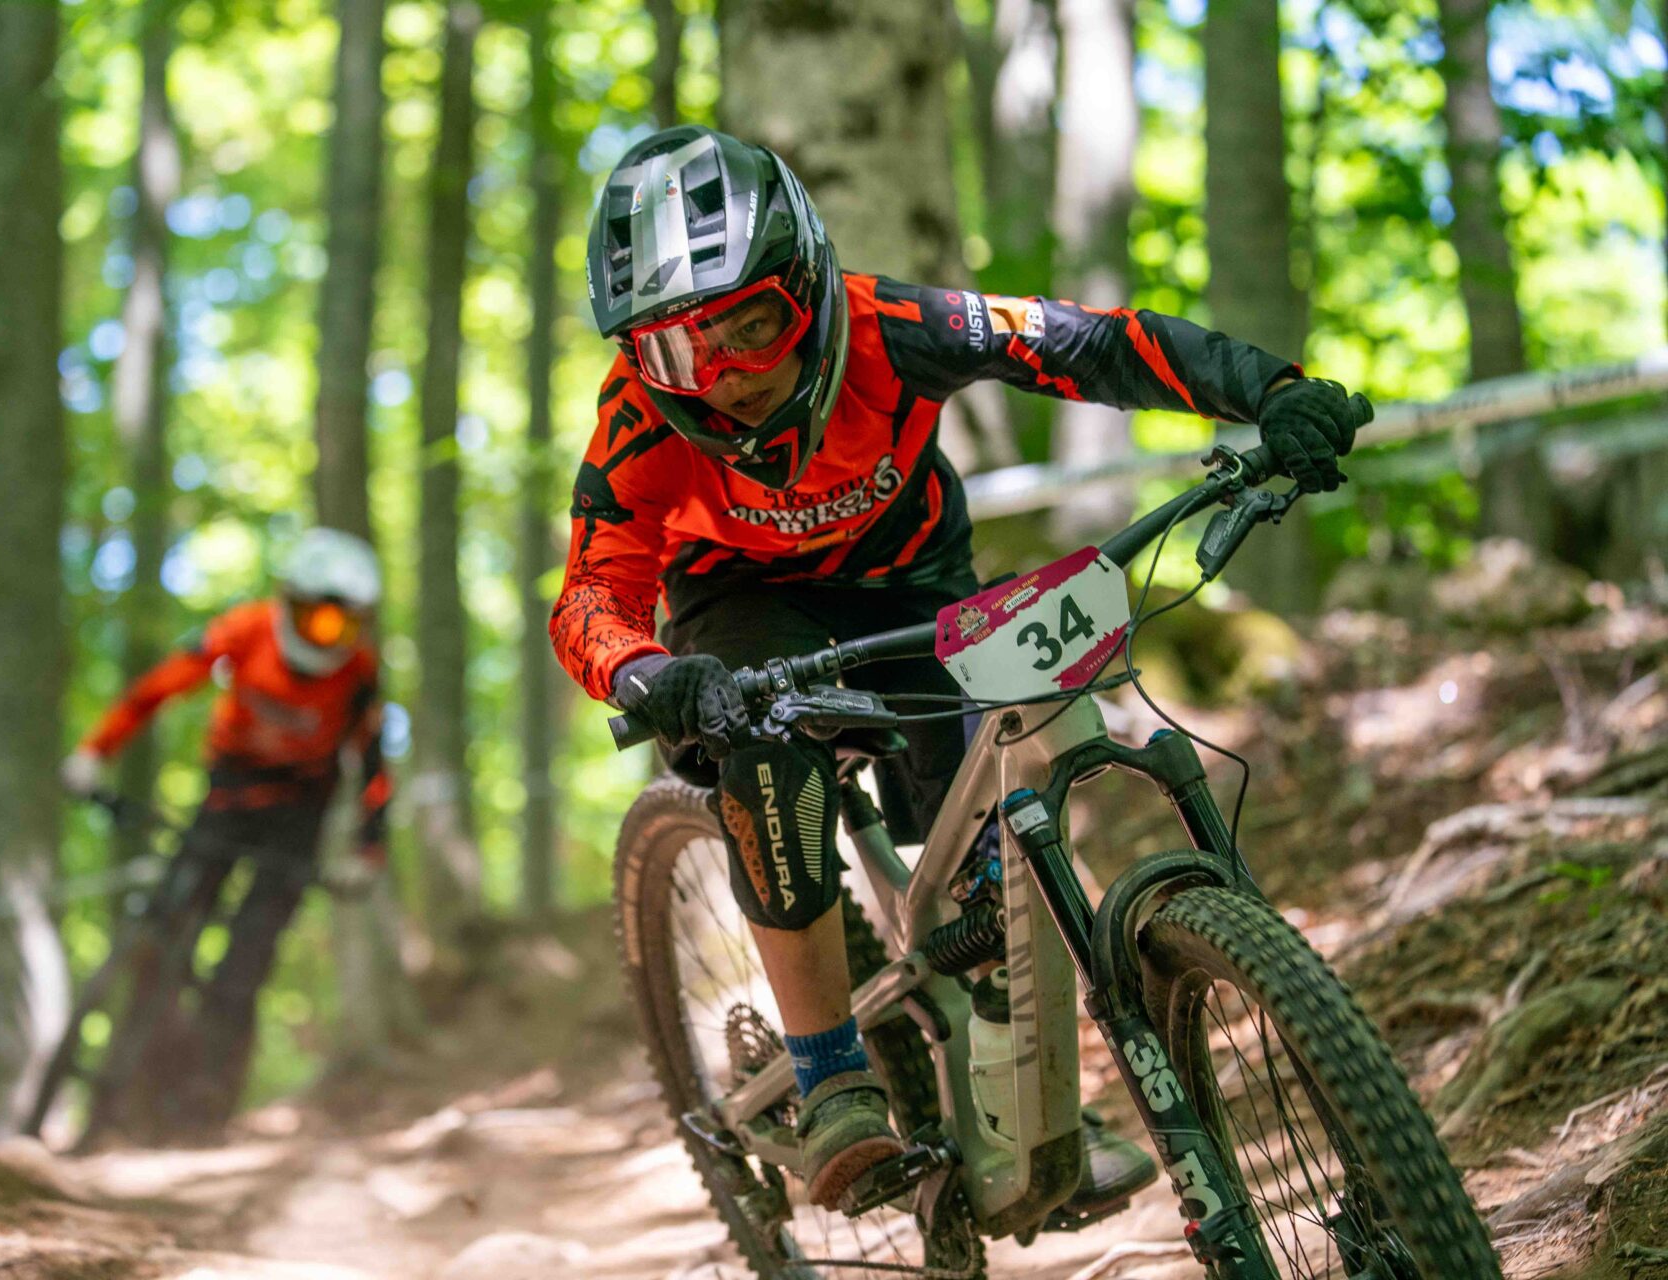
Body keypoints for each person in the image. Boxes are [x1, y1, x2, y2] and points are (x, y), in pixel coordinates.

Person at [552, 126, 1371, 1211]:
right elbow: (591, 593)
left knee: (997, 849)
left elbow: (1091, 345)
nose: (725, 377)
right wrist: (646, 672)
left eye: (751, 325)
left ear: (807, 286)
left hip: (913, 581)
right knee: (768, 756)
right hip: (744, 605)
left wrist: (1270, 391)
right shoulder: (634, 422)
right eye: (676, 353)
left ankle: (1025, 1111)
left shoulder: (897, 326)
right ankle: (830, 1076)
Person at [60, 526, 391, 1136]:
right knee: (164, 928)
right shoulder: (247, 630)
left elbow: (372, 764)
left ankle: (204, 1102)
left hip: (301, 814)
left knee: (246, 962)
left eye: (342, 624)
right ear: (290, 602)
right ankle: (128, 1082)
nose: (327, 634)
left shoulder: (358, 674)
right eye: (316, 618)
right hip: (230, 795)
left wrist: (369, 851)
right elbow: (161, 686)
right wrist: (94, 751)